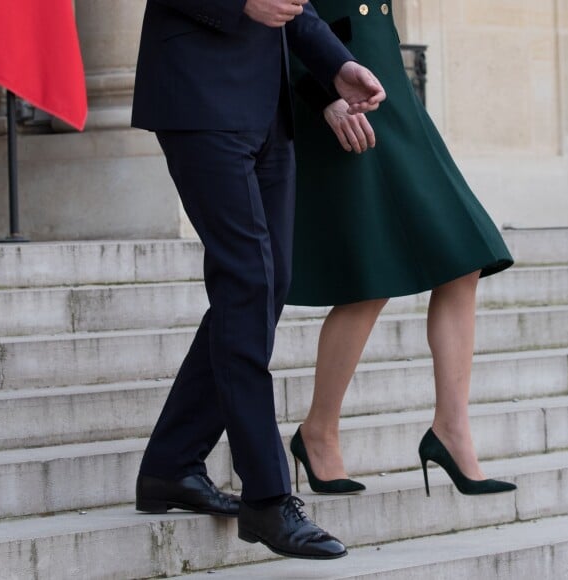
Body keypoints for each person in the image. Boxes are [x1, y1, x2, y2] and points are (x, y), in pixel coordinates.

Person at [130, 0, 386, 561]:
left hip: (267, 109)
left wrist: (335, 65)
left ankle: (171, 464)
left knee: (266, 286)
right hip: (197, 94)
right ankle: (268, 496)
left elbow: (292, 3)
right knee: (246, 284)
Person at [287, 0, 517, 498]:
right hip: (338, 100)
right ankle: (318, 432)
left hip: (387, 88)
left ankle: (451, 430)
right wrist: (317, 91)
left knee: (464, 255)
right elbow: (277, 17)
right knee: (371, 277)